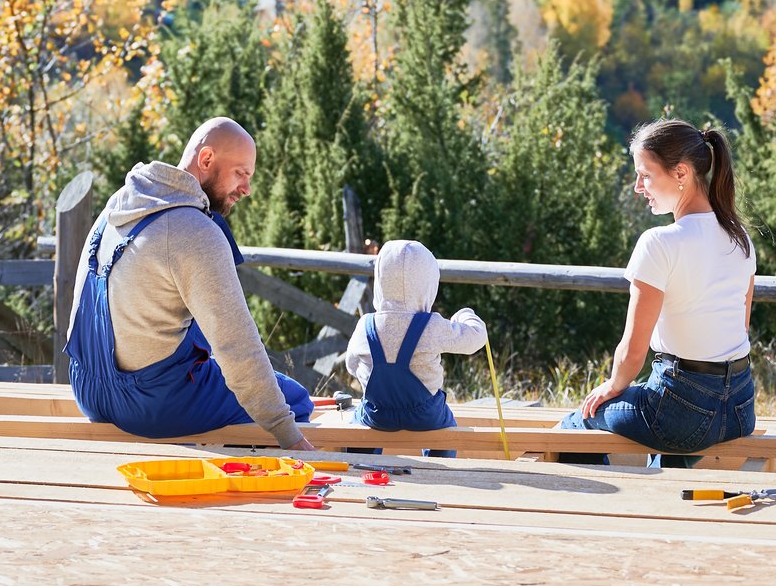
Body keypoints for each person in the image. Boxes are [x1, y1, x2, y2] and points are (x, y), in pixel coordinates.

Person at [65, 117, 318, 450]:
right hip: (154, 403)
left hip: (86, 388)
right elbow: (237, 348)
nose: (247, 189)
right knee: (295, 400)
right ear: (207, 160)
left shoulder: (117, 207)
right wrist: (289, 434)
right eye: (241, 173)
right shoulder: (194, 231)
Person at [558, 117, 756, 466]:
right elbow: (738, 330)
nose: (638, 186)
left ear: (681, 173)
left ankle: (595, 515)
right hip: (740, 408)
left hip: (683, 411)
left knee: (575, 426)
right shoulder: (740, 239)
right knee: (669, 446)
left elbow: (633, 352)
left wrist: (611, 387)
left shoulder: (659, 243)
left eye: (645, 175)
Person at [342, 238, 486, 453]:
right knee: (446, 427)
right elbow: (475, 339)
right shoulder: (432, 325)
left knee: (357, 424)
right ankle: (439, 464)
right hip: (426, 415)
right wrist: (466, 315)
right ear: (429, 284)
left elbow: (351, 365)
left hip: (378, 412)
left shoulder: (366, 325)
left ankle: (364, 465)